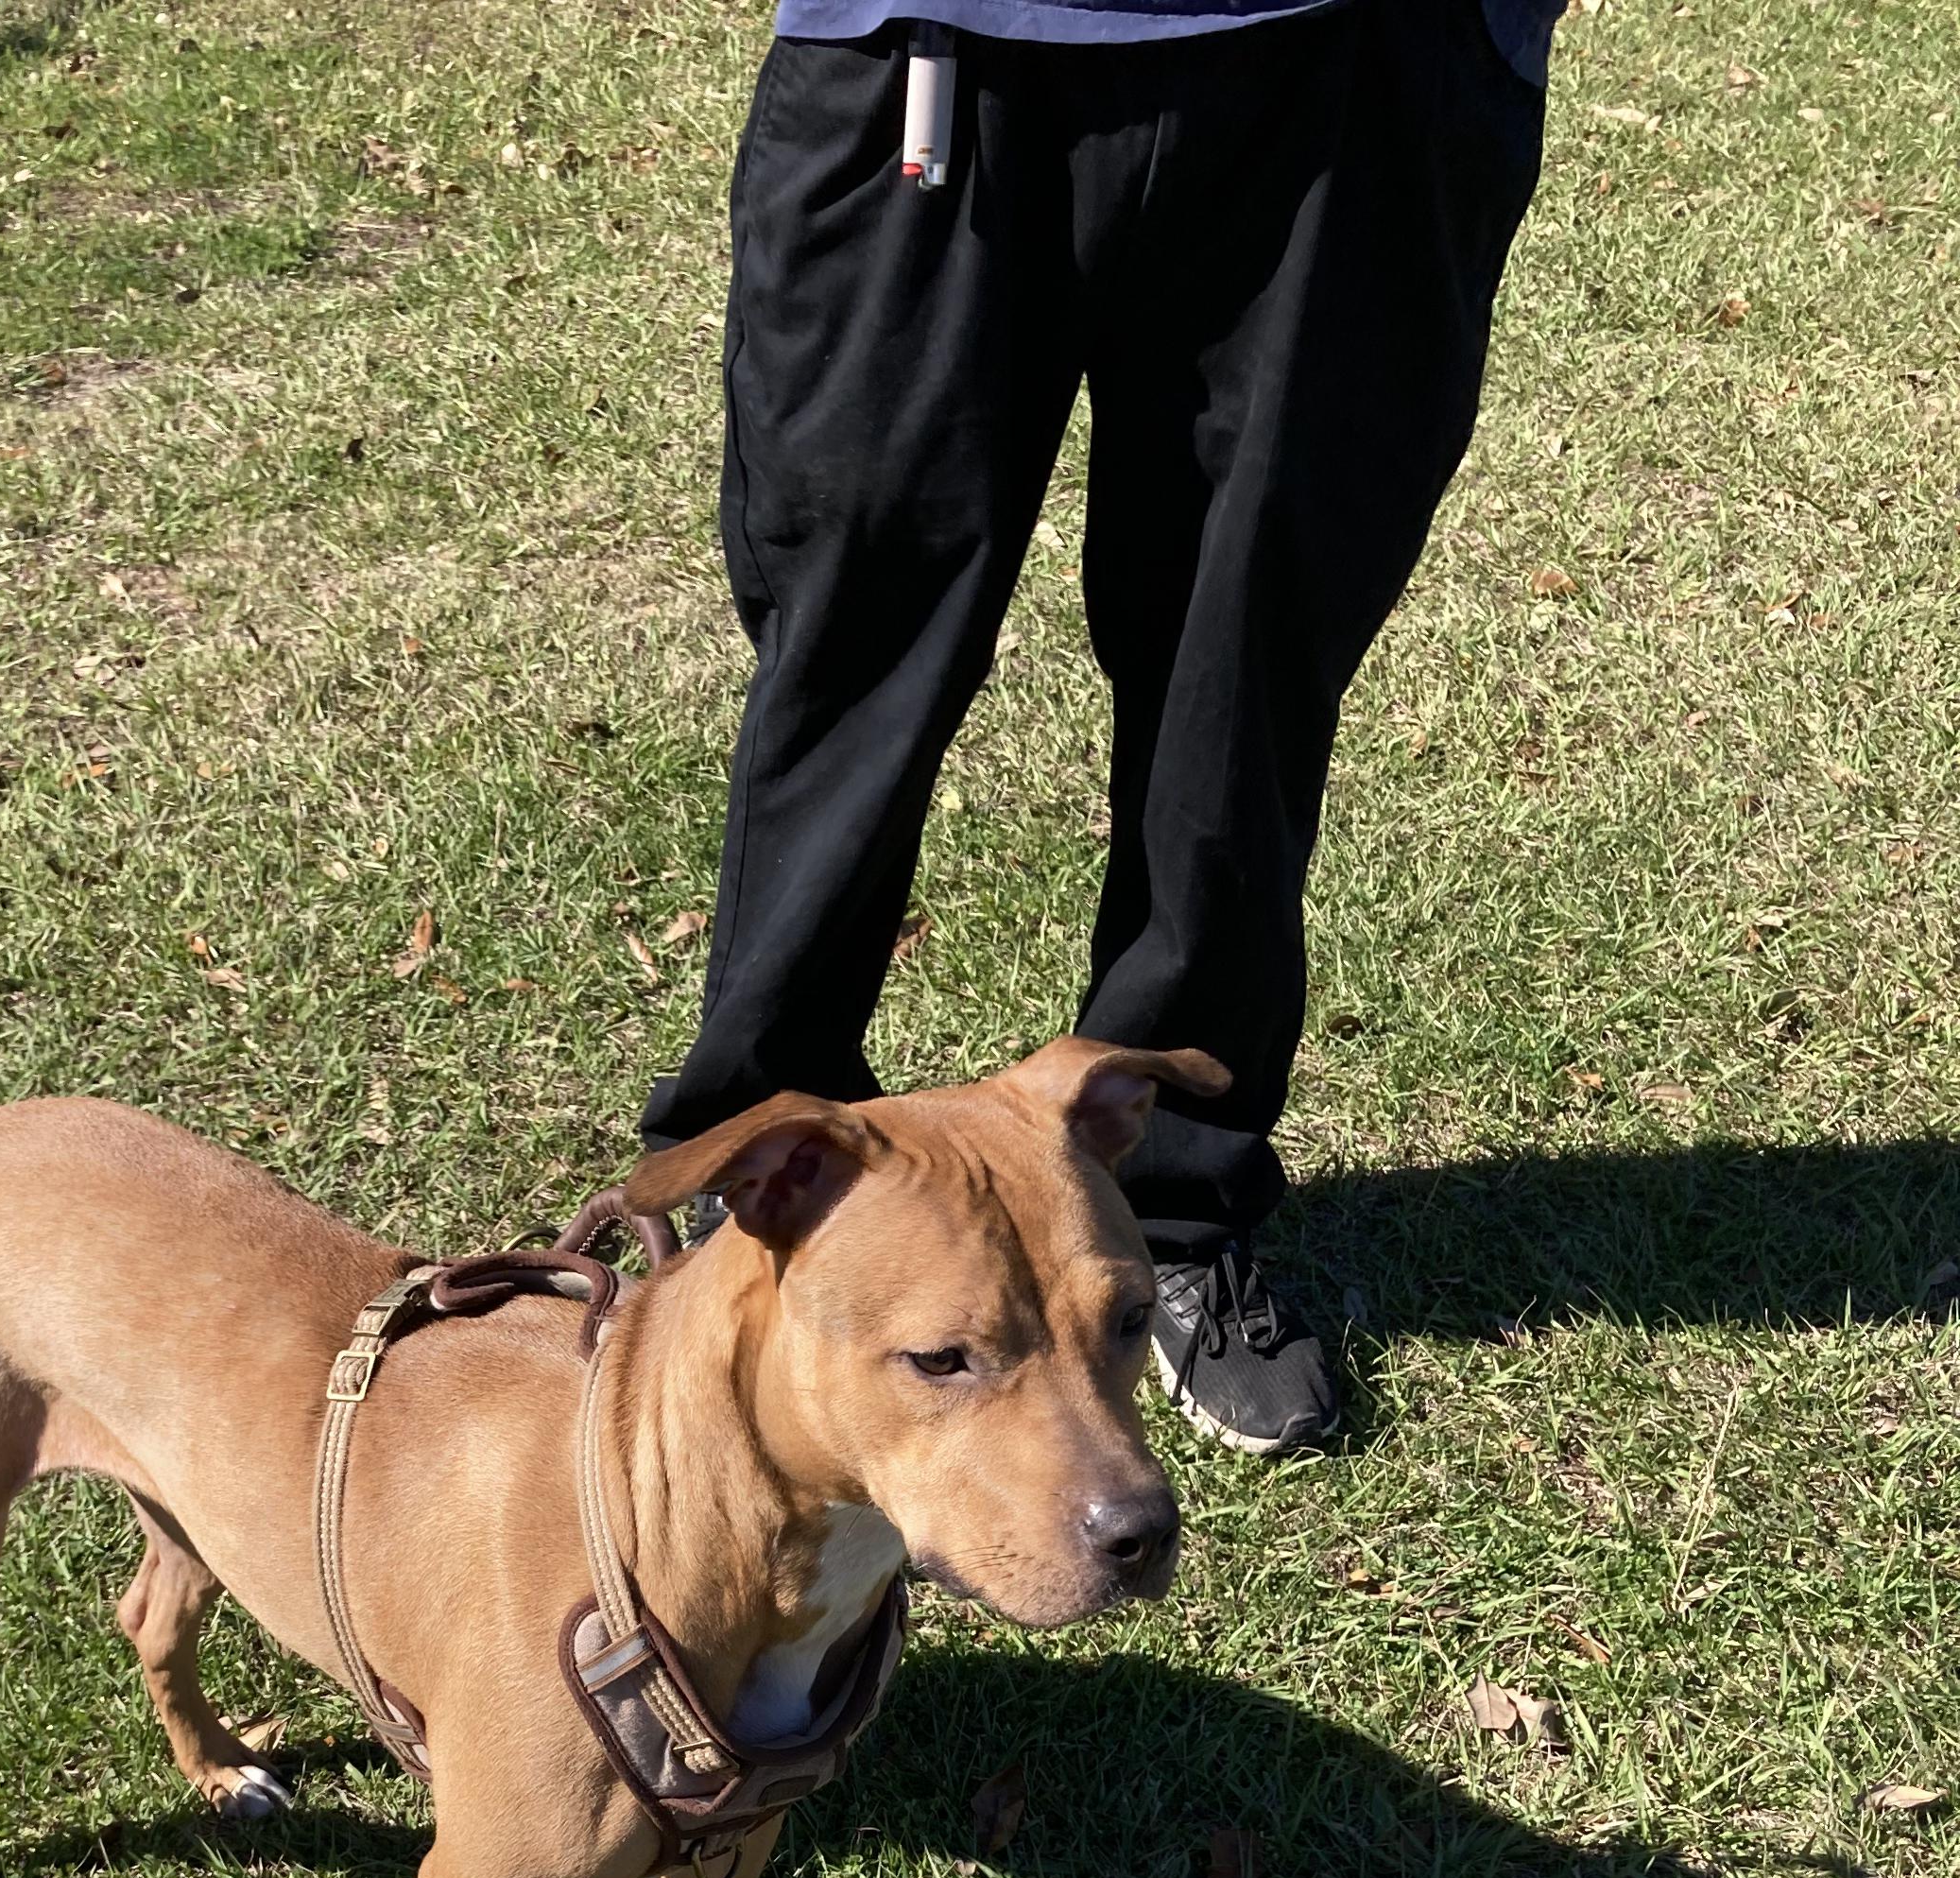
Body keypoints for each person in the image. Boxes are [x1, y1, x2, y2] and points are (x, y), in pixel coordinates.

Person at [643, 0, 1561, 1456]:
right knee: (855, 644)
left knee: (1243, 667)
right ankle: (765, 1193)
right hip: (942, 45)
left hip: (1361, 63)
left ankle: (1168, 1216)